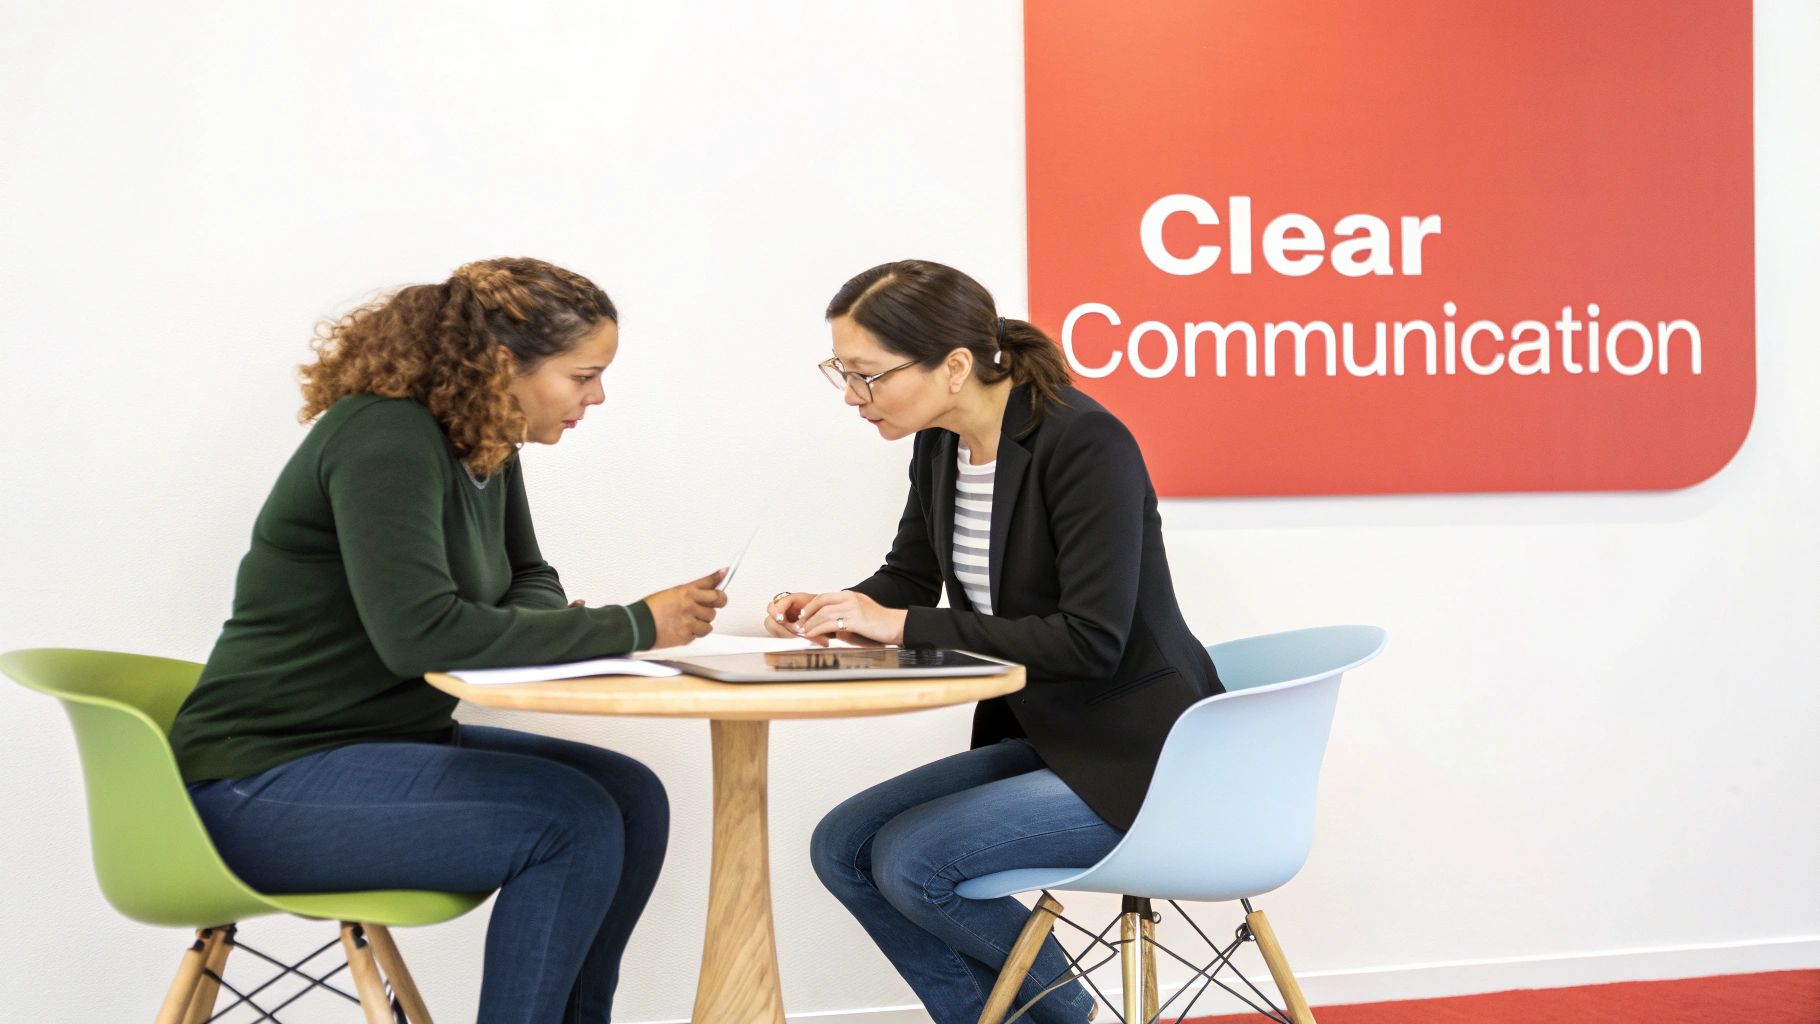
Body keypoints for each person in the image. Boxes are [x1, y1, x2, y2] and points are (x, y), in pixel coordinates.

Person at [168, 257, 724, 1023]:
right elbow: (419, 634)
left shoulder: (486, 440)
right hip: (261, 781)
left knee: (632, 798)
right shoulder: (385, 438)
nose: (598, 397)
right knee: (570, 819)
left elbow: (530, 577)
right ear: (504, 363)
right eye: (583, 375)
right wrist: (635, 623)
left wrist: (532, 622)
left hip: (382, 744)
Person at [767, 259, 1222, 1024]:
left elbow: (1090, 641)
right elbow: (908, 579)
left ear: (953, 366)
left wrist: (902, 626)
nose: (852, 396)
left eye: (868, 375)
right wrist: (841, 607)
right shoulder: (939, 442)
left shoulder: (1085, 442)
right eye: (841, 373)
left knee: (914, 862)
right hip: (1053, 738)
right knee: (842, 846)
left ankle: (1063, 1014)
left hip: (1143, 754)